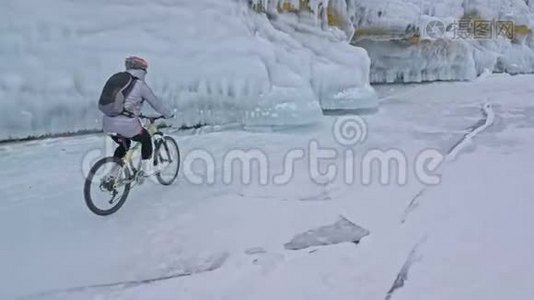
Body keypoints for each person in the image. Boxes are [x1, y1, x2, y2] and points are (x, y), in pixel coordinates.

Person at [102, 56, 173, 177]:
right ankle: (147, 170)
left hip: (107, 122)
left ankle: (112, 175)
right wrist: (168, 114)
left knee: (124, 145)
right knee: (145, 138)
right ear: (142, 70)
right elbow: (156, 104)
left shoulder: (116, 80)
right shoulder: (140, 85)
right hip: (125, 125)